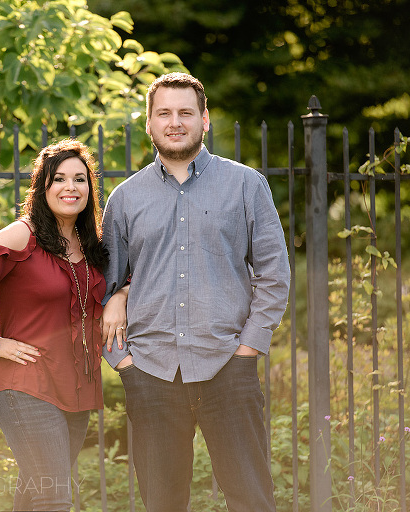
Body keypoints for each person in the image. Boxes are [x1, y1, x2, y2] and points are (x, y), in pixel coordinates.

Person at [100, 72, 291, 512]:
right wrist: (125, 362)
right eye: (164, 113)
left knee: (251, 499)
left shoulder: (246, 185)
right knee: (162, 503)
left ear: (205, 120)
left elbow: (274, 274)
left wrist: (248, 350)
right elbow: (102, 286)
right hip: (150, 370)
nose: (175, 122)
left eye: (186, 112)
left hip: (228, 364)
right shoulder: (125, 199)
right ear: (148, 123)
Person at [0, 139, 107, 511]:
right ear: (42, 186)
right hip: (26, 386)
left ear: (90, 189)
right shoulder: (23, 234)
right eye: (59, 178)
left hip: (76, 388)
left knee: (35, 493)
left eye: (80, 179)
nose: (70, 187)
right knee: (55, 496)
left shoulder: (89, 242)